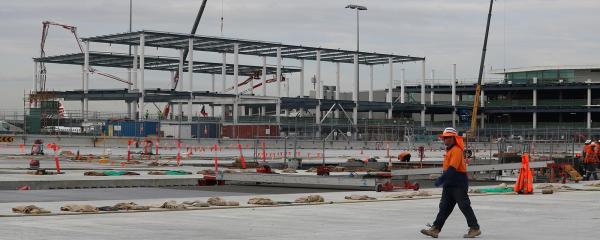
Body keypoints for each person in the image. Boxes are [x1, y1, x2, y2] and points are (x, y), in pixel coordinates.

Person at [421, 127, 481, 238]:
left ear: (453, 138)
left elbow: (452, 169)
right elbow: (449, 170)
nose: (444, 140)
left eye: (447, 138)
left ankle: (475, 228)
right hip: (449, 183)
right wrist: (444, 180)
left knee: (464, 205)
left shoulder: (457, 150)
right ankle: (435, 229)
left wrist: (441, 179)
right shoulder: (449, 150)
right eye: (444, 138)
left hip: (458, 183)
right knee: (444, 207)